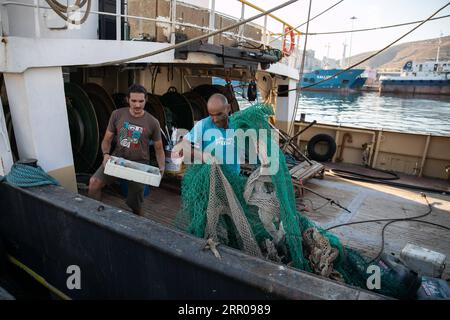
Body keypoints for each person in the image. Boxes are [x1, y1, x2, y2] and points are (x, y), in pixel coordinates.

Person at [88, 84, 165, 216]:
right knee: (94, 183)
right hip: (117, 159)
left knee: (136, 206)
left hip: (139, 164)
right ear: (127, 100)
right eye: (134, 101)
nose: (137, 105)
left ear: (146, 100)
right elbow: (107, 139)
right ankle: (93, 215)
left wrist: (162, 168)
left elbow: (159, 149)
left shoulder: (153, 122)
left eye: (141, 101)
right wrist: (106, 154)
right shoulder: (117, 115)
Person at [174, 93, 240, 175]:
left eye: (219, 114)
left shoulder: (237, 124)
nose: (215, 120)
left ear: (228, 108)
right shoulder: (203, 125)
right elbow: (180, 145)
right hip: (210, 178)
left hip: (233, 178)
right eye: (211, 115)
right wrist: (201, 155)